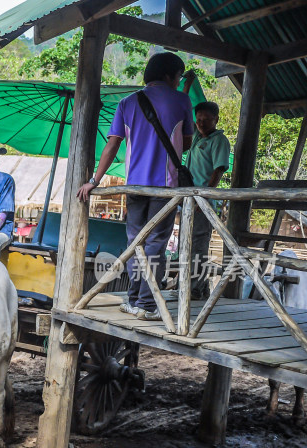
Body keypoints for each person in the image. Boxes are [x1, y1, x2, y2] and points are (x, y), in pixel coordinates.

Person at [77, 52, 194, 320]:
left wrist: (94, 181)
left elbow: (112, 144)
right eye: (178, 76)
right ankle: (147, 304)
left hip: (134, 187)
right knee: (155, 245)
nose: (178, 81)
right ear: (169, 75)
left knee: (134, 242)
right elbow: (185, 144)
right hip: (165, 187)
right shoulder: (182, 100)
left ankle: (133, 299)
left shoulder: (127, 103)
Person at [183, 101, 231, 299]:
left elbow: (218, 170)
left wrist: (205, 197)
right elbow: (183, 111)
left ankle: (194, 288)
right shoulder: (196, 137)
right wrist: (186, 85)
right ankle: (198, 288)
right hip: (188, 199)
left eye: (206, 120)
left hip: (203, 201)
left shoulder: (219, 141)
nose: (201, 123)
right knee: (186, 244)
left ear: (216, 120)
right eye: (199, 119)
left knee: (198, 245)